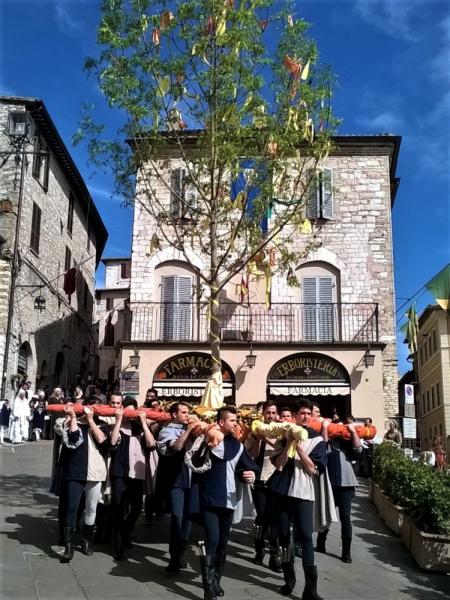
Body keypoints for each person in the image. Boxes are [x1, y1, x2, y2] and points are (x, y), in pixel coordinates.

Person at [197, 407, 258, 600]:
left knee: (223, 543)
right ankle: (207, 586)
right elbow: (195, 459)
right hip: (209, 497)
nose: (236, 423)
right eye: (232, 420)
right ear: (221, 422)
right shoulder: (207, 440)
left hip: (229, 499)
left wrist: (249, 474)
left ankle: (216, 581)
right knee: (212, 541)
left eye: (237, 420)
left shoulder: (238, 446)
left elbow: (244, 467)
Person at [268, 399, 327, 599]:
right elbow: (279, 466)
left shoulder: (317, 439)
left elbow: (314, 470)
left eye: (308, 414)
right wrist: (290, 443)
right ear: (294, 415)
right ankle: (289, 578)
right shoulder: (284, 437)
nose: (305, 417)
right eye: (301, 413)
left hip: (303, 492)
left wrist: (300, 450)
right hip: (282, 491)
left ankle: (310, 589)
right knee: (284, 537)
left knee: (305, 537)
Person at [58, 399, 110, 562]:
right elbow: (73, 439)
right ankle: (69, 547)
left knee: (91, 508)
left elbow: (103, 441)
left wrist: (90, 421)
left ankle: (86, 541)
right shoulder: (72, 422)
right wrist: (73, 418)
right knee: (71, 507)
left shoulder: (101, 424)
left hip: (94, 472)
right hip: (75, 471)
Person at [109, 398, 157, 561]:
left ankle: (125, 531)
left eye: (132, 411)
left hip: (137, 473)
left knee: (136, 507)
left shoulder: (140, 428)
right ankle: (119, 544)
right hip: (119, 471)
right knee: (118, 506)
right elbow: (113, 441)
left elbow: (151, 444)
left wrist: (144, 423)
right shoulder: (118, 426)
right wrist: (118, 421)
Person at [157, 402, 198, 573]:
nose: (187, 415)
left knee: (189, 518)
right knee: (176, 517)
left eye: (188, 412)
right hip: (176, 480)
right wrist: (188, 430)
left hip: (193, 479)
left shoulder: (195, 429)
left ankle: (180, 552)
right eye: (183, 412)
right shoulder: (167, 431)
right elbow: (177, 446)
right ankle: (174, 556)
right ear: (174, 415)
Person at [318, 418, 362, 563]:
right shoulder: (328, 443)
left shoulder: (348, 444)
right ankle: (320, 542)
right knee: (326, 516)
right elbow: (322, 446)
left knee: (345, 518)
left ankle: (346, 551)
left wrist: (353, 431)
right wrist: (324, 427)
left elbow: (358, 449)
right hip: (329, 484)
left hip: (346, 486)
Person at [245, 401, 281, 572]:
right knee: (261, 517)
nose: (271, 416)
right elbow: (250, 456)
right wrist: (259, 439)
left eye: (274, 413)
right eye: (268, 413)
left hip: (277, 479)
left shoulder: (282, 431)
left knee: (275, 517)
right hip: (260, 478)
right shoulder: (254, 432)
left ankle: (275, 555)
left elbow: (280, 449)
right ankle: (259, 550)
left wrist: (266, 437)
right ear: (263, 414)